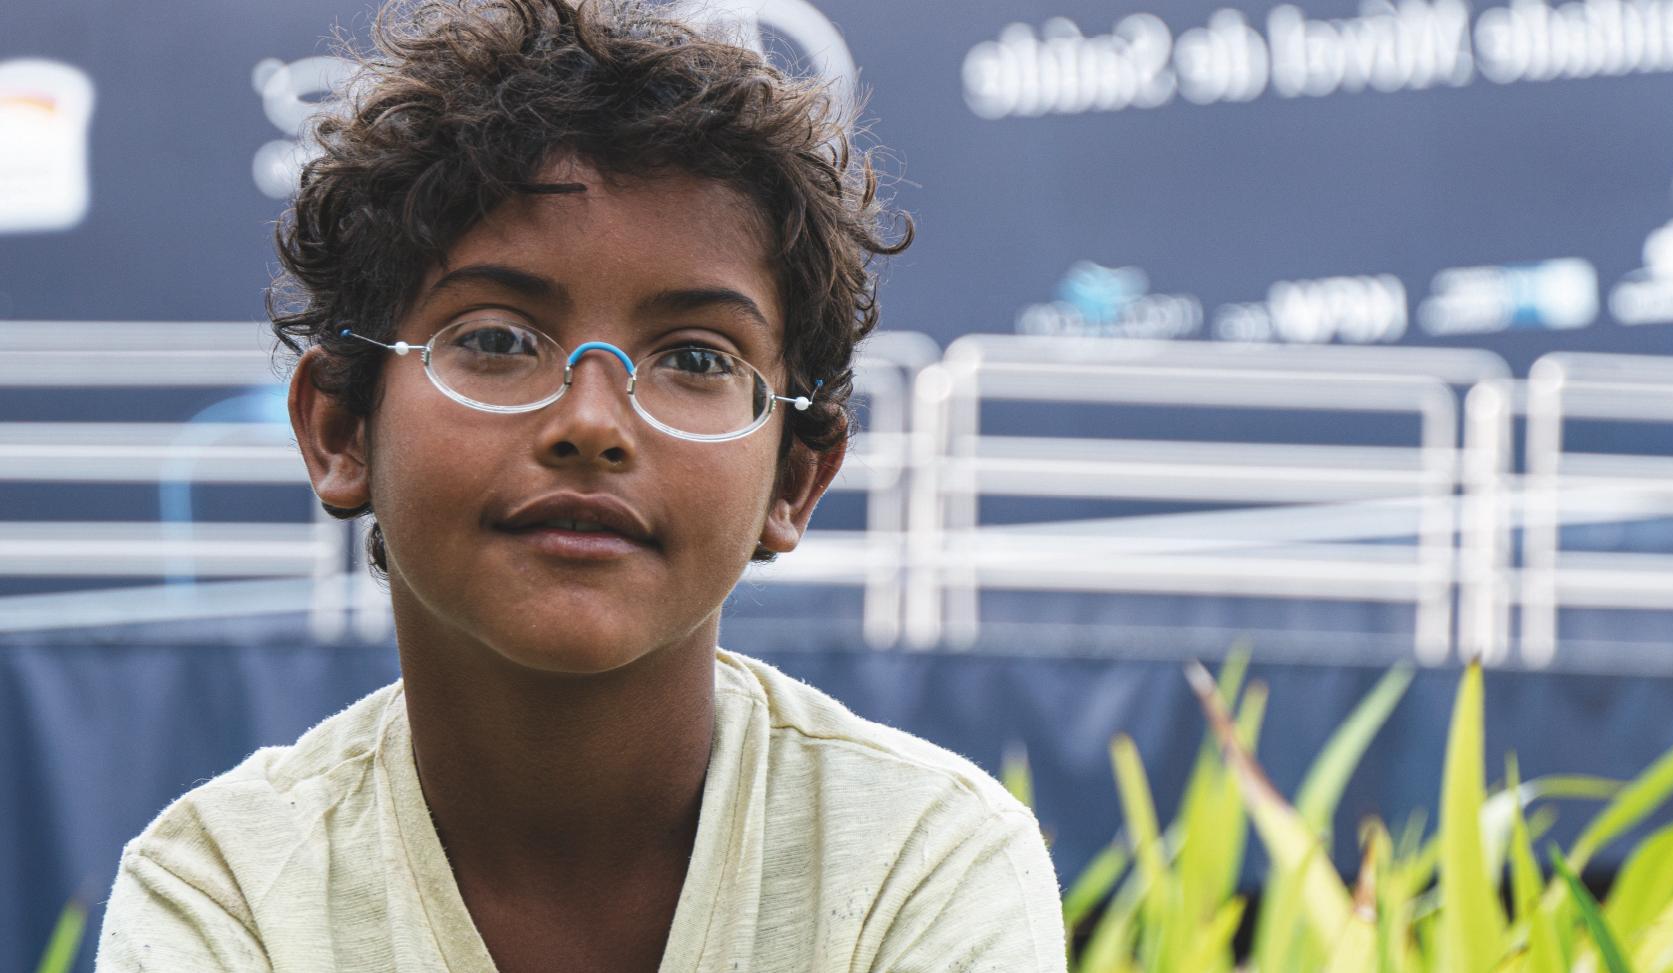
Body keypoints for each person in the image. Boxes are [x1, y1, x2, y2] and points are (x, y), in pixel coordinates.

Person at [94, 0, 1066, 970]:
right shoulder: (221, 891)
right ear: (342, 429)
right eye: (496, 340)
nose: (593, 423)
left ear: (794, 478)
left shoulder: (923, 860)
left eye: (694, 355)